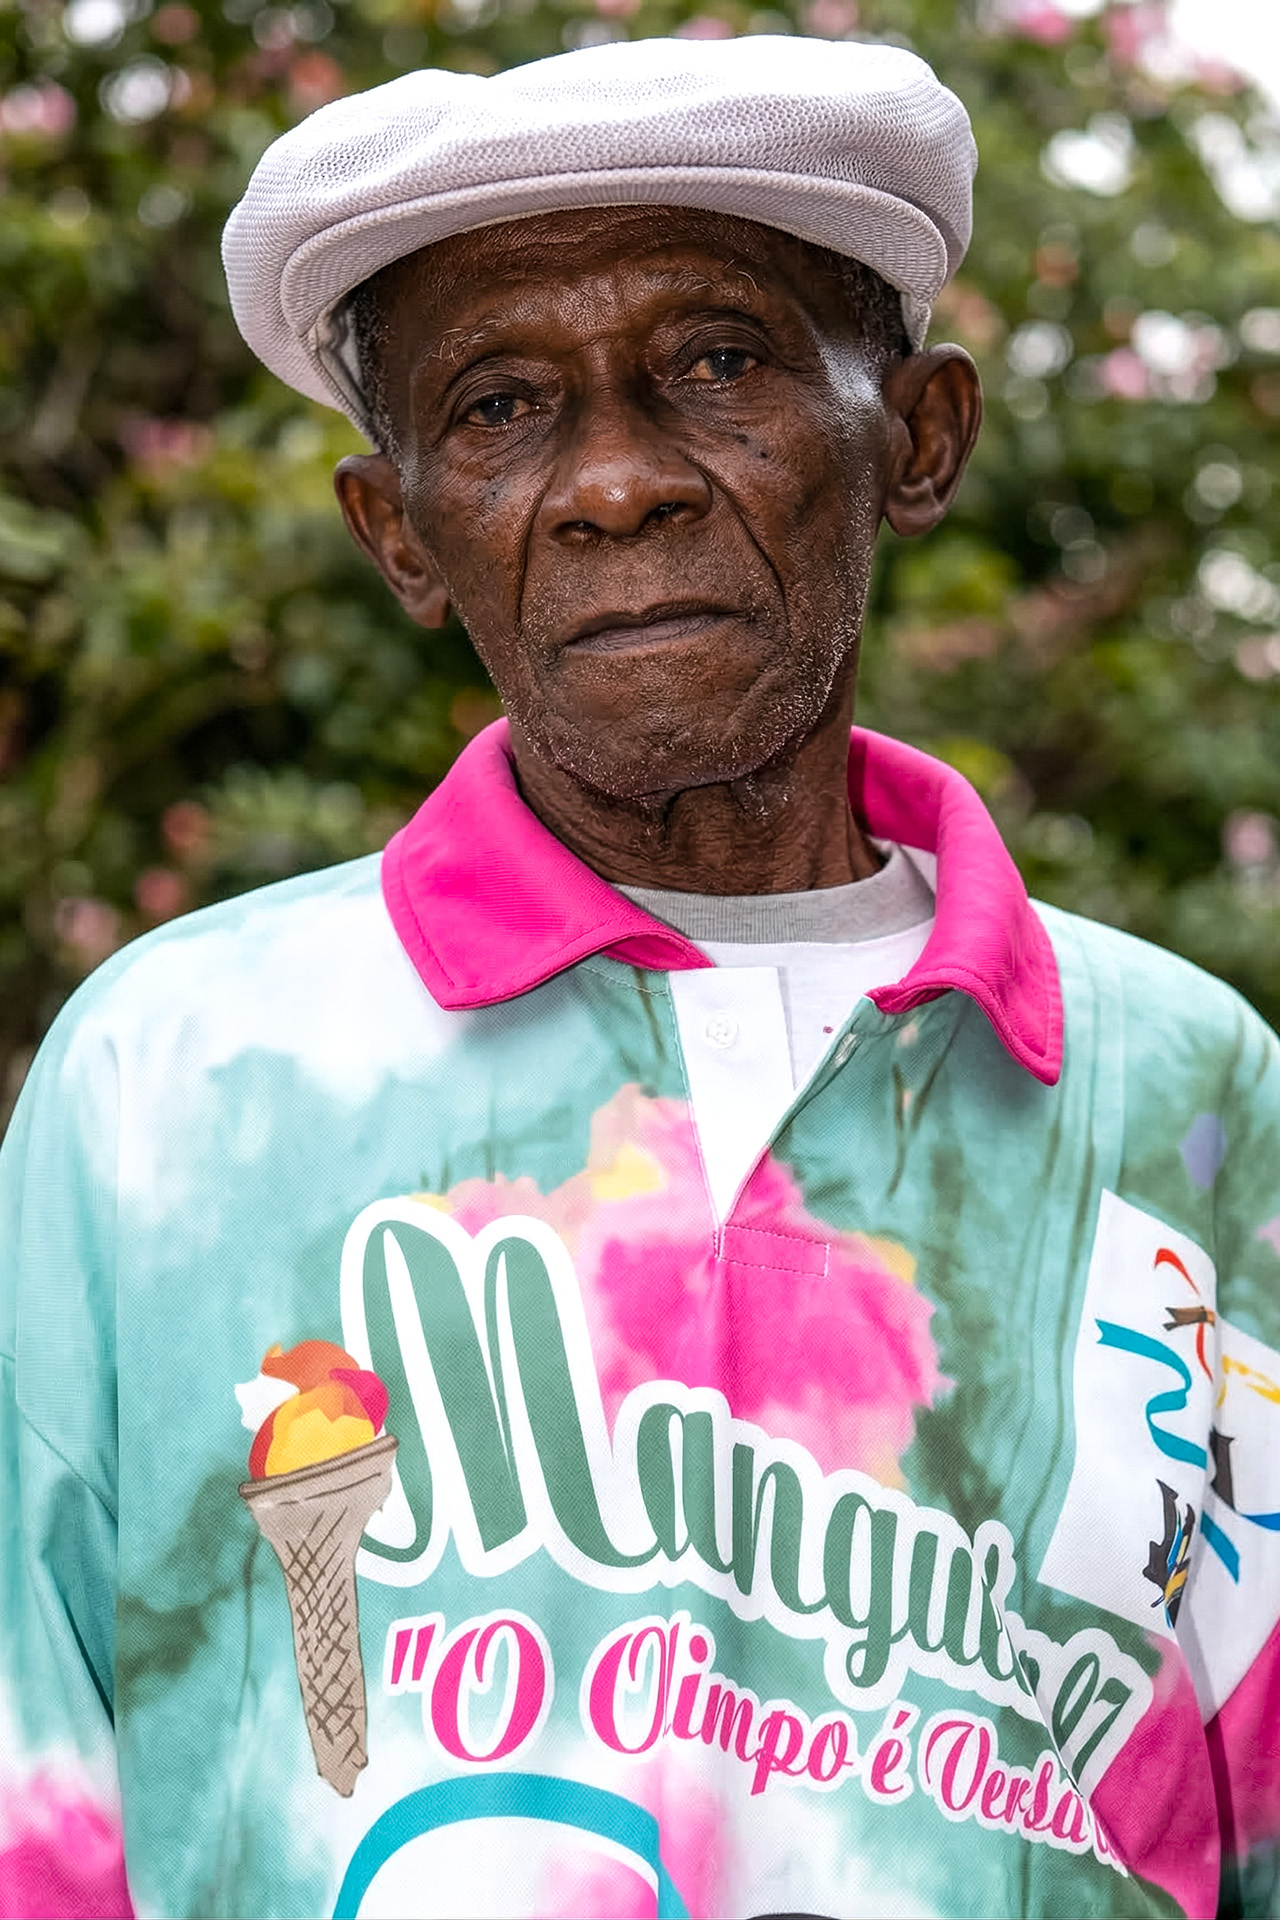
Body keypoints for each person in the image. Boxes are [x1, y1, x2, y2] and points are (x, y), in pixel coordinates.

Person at [1, 32, 1277, 1920]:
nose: (614, 486)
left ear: (917, 435)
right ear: (400, 533)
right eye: (502, 407)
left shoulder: (1188, 1093)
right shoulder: (177, 1078)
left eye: (717, 363)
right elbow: (45, 1792)